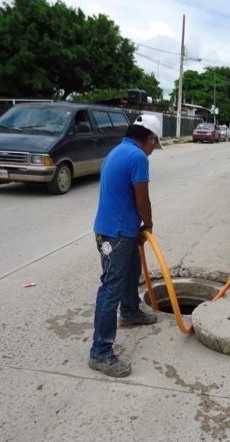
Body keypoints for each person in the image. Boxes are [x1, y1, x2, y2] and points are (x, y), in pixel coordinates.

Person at [89, 114, 162, 377]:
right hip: (115, 234)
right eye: (155, 144)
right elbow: (142, 199)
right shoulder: (137, 157)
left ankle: (130, 311)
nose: (154, 150)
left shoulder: (119, 151)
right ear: (149, 139)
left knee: (133, 272)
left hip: (120, 230)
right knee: (111, 288)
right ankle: (100, 352)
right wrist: (149, 224)